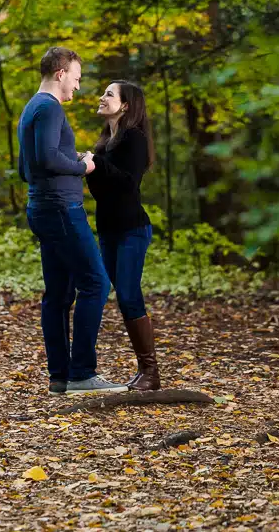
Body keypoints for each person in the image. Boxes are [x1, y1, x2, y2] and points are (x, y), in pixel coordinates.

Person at [16, 47, 129, 395]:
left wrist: (69, 159)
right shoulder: (49, 108)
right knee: (96, 283)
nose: (78, 87)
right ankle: (82, 373)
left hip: (42, 208)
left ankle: (59, 376)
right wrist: (83, 166)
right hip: (62, 210)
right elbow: (48, 157)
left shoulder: (30, 109)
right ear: (61, 73)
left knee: (59, 294)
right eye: (77, 78)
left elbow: (27, 168)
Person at [83, 81, 160, 391]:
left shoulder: (134, 140)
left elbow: (127, 184)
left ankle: (151, 372)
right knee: (121, 295)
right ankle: (146, 372)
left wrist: (95, 165)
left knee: (128, 294)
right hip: (109, 231)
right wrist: (89, 166)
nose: (102, 98)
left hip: (132, 230)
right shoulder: (106, 142)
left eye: (109, 94)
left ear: (126, 106)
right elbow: (102, 191)